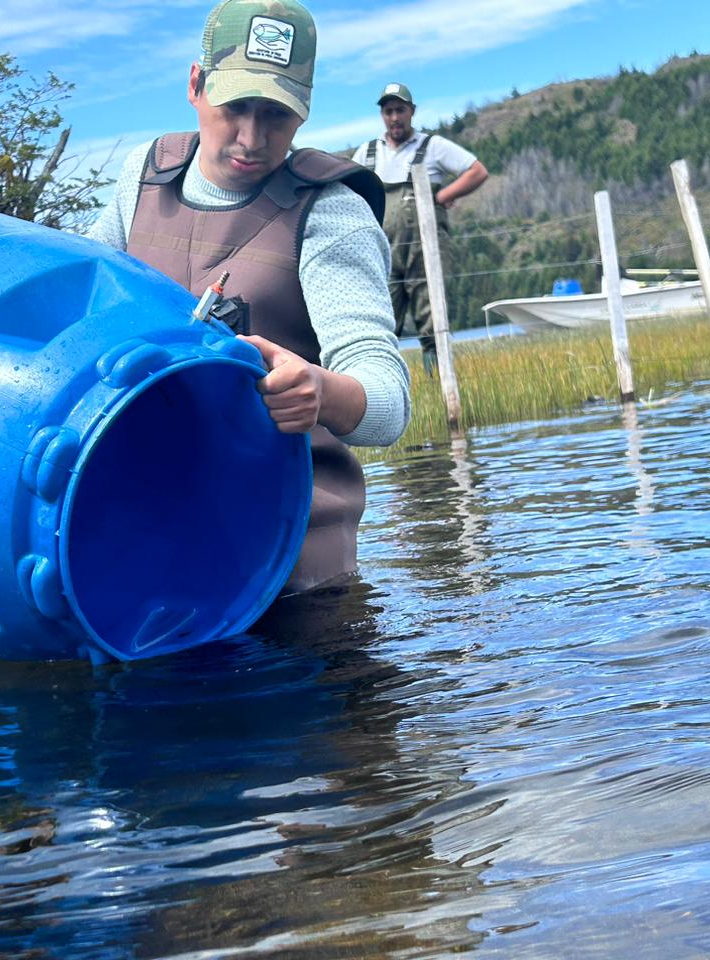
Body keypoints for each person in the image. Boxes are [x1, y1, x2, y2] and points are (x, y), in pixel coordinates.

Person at [86, 0, 411, 594]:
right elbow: (81, 317)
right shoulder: (141, 176)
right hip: (140, 538)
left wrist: (322, 390)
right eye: (235, 107)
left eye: (277, 115)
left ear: (303, 113)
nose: (252, 138)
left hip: (289, 562)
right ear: (195, 84)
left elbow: (389, 405)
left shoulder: (333, 214)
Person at [353, 83, 488, 373]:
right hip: (381, 254)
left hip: (425, 250)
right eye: (388, 111)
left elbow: (477, 171)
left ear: (411, 112)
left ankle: (440, 382)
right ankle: (383, 387)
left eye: (400, 110)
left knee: (433, 321)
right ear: (382, 115)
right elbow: (348, 191)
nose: (394, 117)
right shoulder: (368, 153)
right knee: (382, 323)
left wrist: (441, 198)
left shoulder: (433, 146)